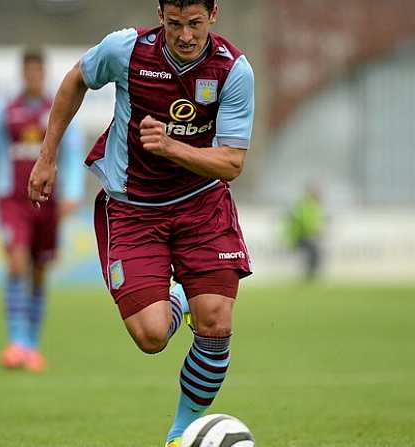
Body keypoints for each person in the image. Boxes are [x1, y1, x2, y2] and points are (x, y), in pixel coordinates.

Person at [28, 1, 255, 445]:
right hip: (133, 208)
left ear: (213, 14)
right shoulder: (126, 50)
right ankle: (178, 298)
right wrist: (48, 154)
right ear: (160, 14)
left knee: (216, 321)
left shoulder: (234, 70)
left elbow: (231, 162)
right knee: (151, 336)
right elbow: (77, 77)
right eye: (174, 24)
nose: (185, 35)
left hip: (201, 204)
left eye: (194, 23)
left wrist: (172, 148)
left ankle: (179, 434)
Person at [0, 49, 85, 372]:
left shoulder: (57, 111)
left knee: (40, 272)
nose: (33, 77)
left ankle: (31, 344)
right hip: (13, 201)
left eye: (38, 72)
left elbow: (73, 154)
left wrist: (73, 192)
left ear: (43, 74)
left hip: (48, 201)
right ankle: (17, 342)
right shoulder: (6, 112)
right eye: (28, 72)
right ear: (23, 74)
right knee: (17, 264)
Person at [285, 183, 326, 280]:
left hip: (307, 236)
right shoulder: (305, 205)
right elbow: (303, 222)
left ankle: (311, 275)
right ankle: (310, 275)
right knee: (313, 252)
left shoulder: (313, 206)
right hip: (301, 236)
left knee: (315, 253)